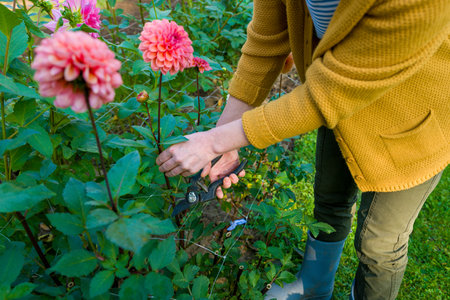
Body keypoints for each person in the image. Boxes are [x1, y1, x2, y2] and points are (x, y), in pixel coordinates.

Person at [156, 0, 450, 299]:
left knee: (380, 243)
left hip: (410, 123)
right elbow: (266, 40)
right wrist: (223, 138)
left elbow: (327, 95)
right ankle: (314, 286)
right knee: (328, 202)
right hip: (338, 111)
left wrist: (213, 142)